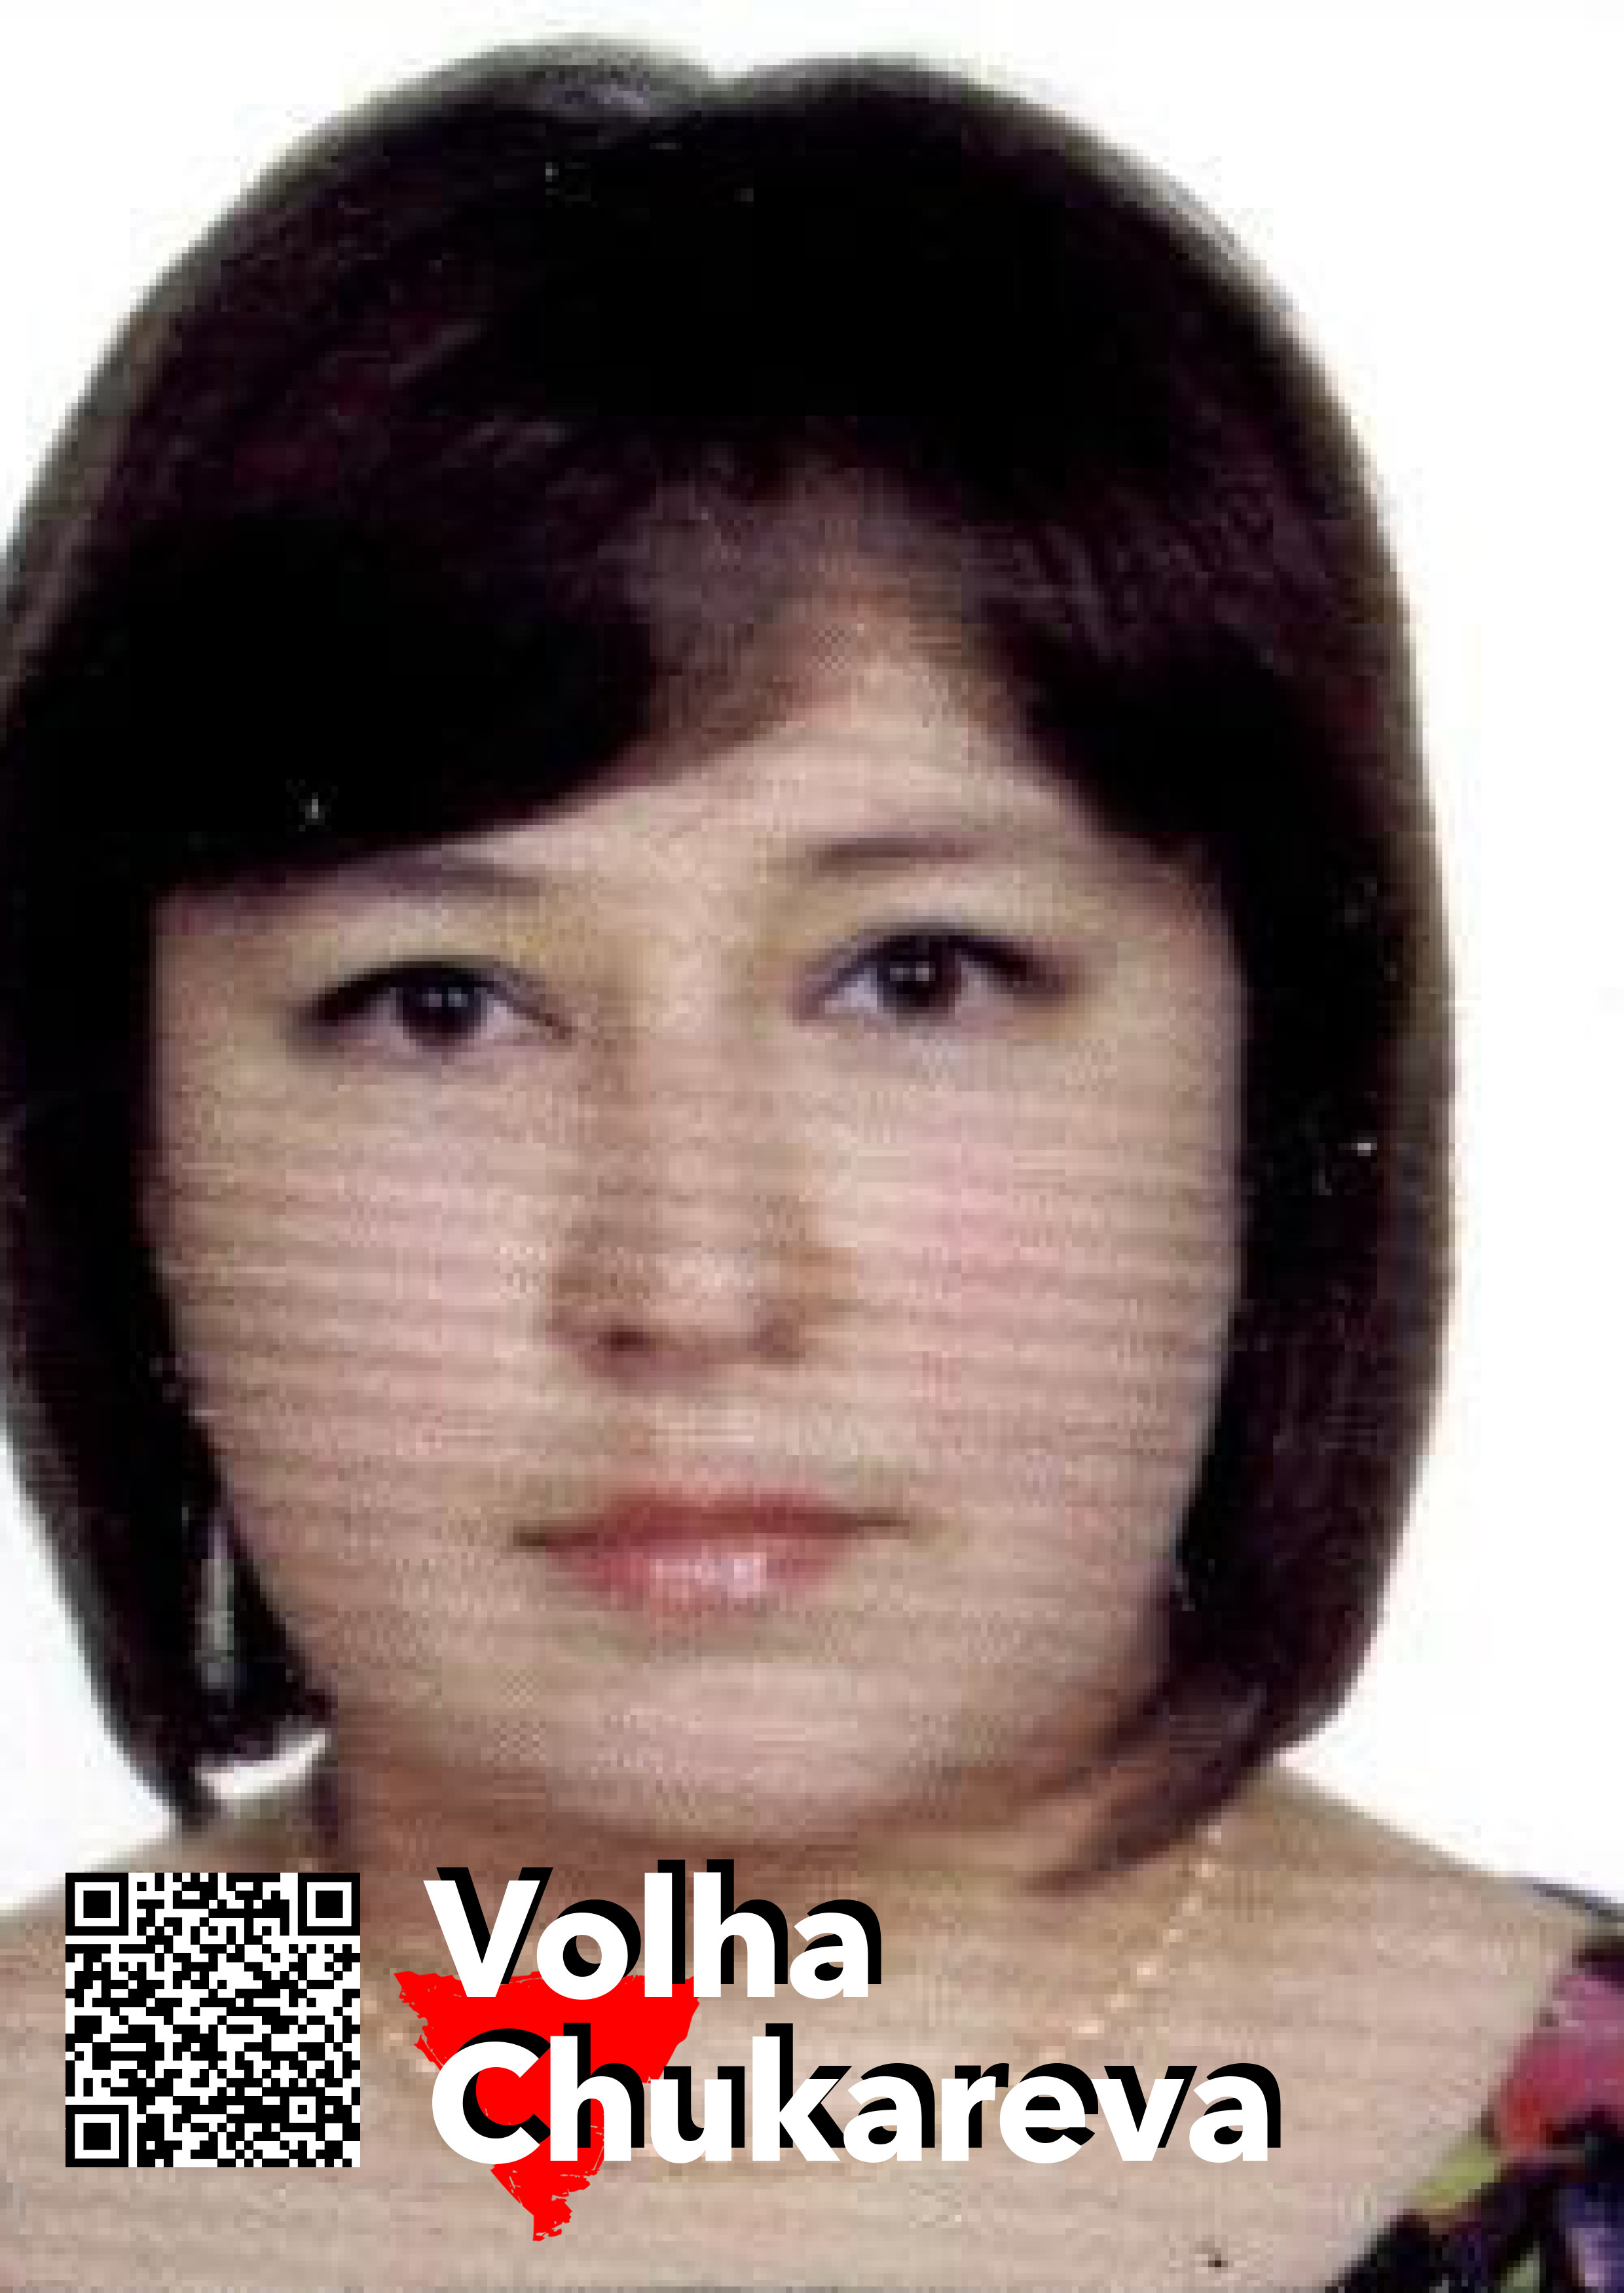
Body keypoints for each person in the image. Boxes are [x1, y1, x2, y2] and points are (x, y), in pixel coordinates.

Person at [0, 43, 1617, 2290]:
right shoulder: (135, 2083)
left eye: (917, 978)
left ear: (1280, 1094)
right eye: (439, 1002)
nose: (691, 1280)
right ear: (133, 1159)